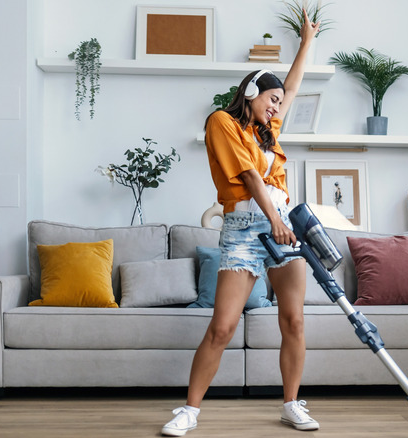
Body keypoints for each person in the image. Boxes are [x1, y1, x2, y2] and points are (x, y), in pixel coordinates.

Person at [160, 10, 321, 438]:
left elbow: (292, 85)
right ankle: (189, 411)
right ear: (250, 93)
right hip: (247, 230)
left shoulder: (268, 131)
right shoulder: (222, 122)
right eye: (270, 100)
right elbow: (250, 177)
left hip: (282, 222)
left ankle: (290, 404)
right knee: (223, 326)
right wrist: (274, 222)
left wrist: (307, 42)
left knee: (294, 321)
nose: (277, 106)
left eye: (278, 103)